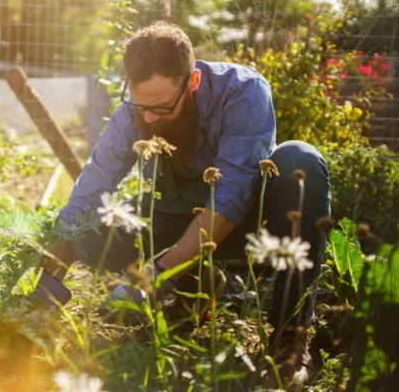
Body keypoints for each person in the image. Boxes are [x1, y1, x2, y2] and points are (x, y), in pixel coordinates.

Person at [28, 21, 330, 386]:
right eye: (141, 106)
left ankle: (291, 337)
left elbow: (231, 197)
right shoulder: (135, 111)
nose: (149, 118)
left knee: (301, 160)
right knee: (90, 233)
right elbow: (92, 186)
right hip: (174, 219)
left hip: (248, 230)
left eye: (161, 107)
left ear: (193, 83)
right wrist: (50, 276)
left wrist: (155, 275)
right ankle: (196, 284)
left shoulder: (243, 92)